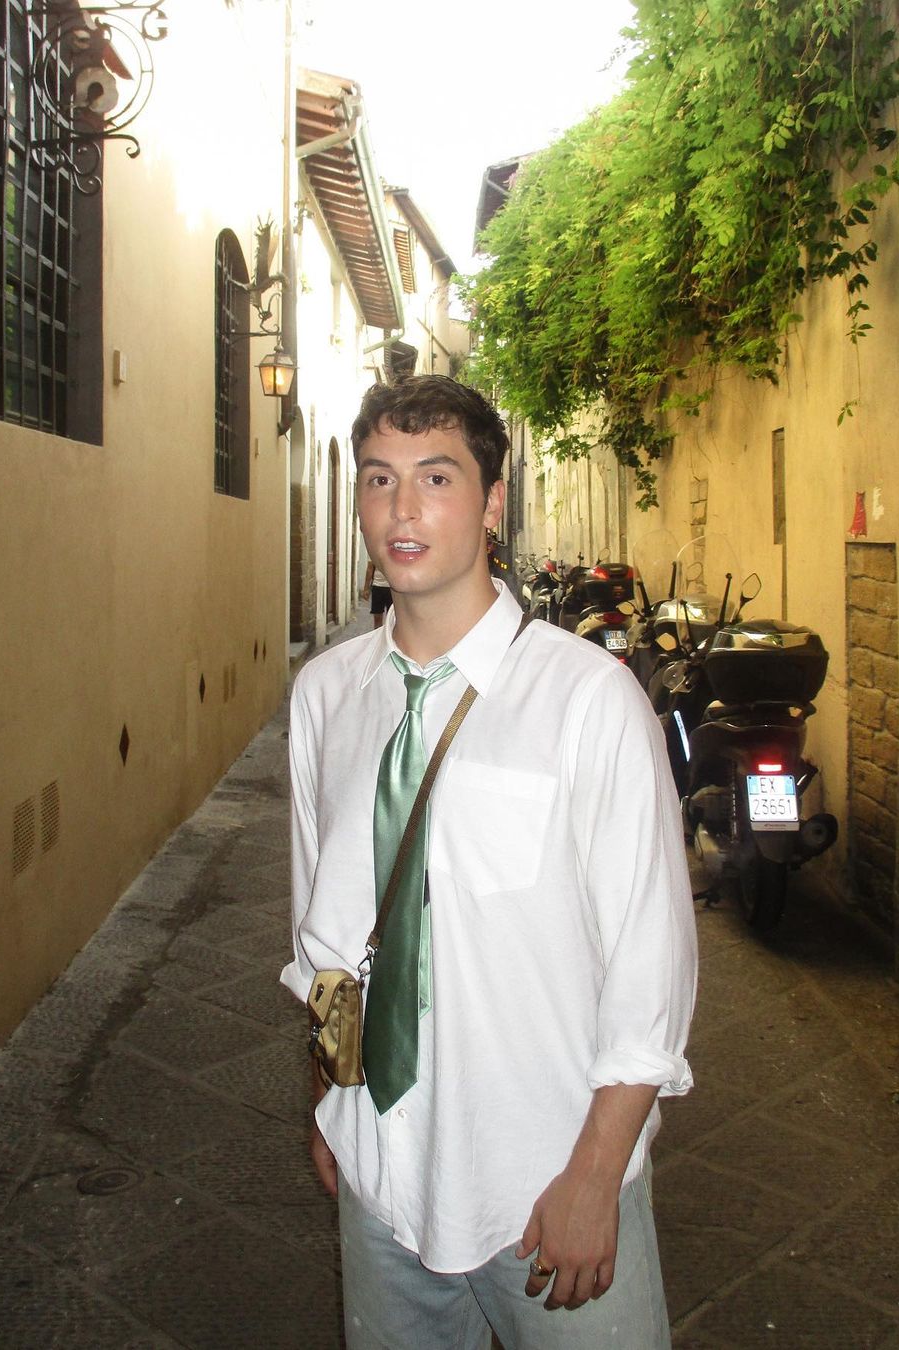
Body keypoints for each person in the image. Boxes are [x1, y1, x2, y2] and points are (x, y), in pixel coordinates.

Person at [282, 375, 697, 1349]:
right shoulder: (326, 697)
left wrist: (596, 1175)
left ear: (492, 500)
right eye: (379, 479)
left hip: (545, 1185)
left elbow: (652, 962)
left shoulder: (587, 701)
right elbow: (330, 937)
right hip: (383, 1175)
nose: (403, 509)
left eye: (436, 477)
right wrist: (333, 1102)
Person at [360, 558, 393, 628]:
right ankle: (378, 633)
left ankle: (389, 634)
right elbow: (370, 568)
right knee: (377, 617)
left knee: (392, 618)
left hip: (393, 589)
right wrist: (366, 589)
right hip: (377, 586)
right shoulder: (375, 552)